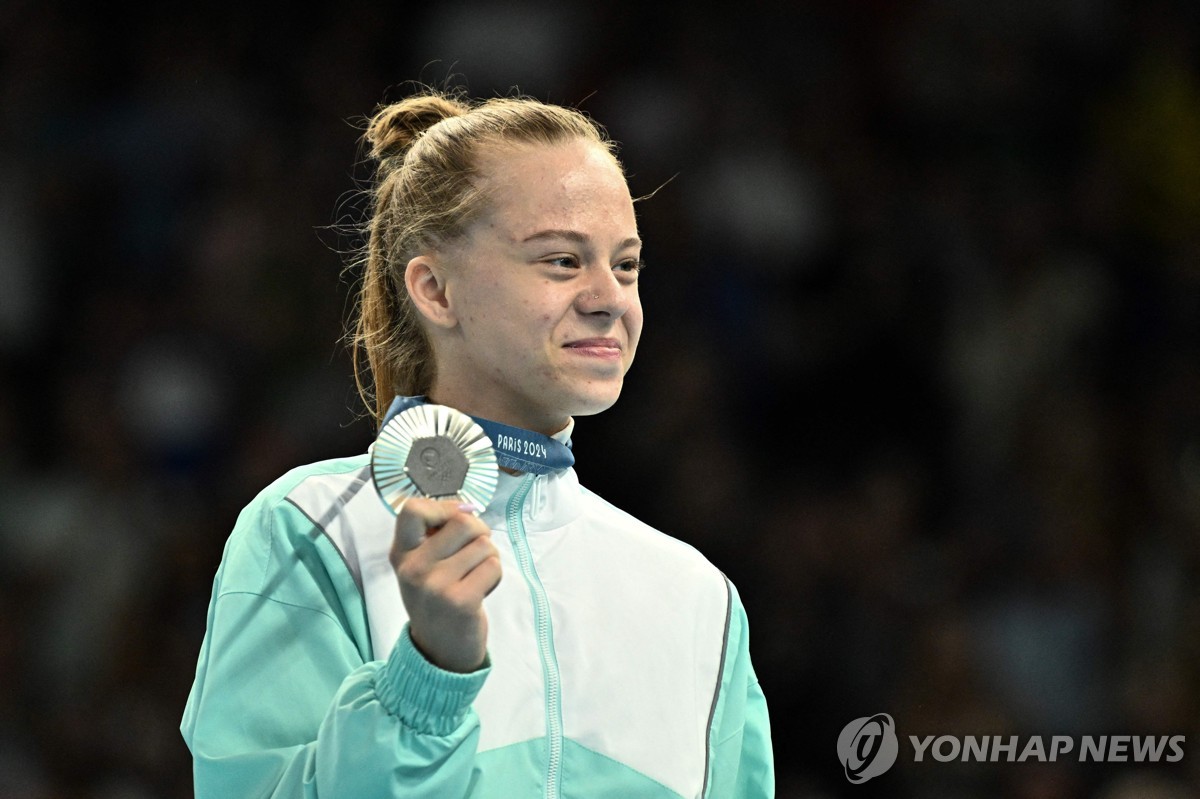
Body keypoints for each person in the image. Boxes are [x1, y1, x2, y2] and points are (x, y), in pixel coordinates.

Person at [181, 88, 774, 798]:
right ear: (435, 290)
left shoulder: (698, 599)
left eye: (625, 265)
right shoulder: (313, 531)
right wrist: (428, 673)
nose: (608, 297)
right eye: (560, 260)